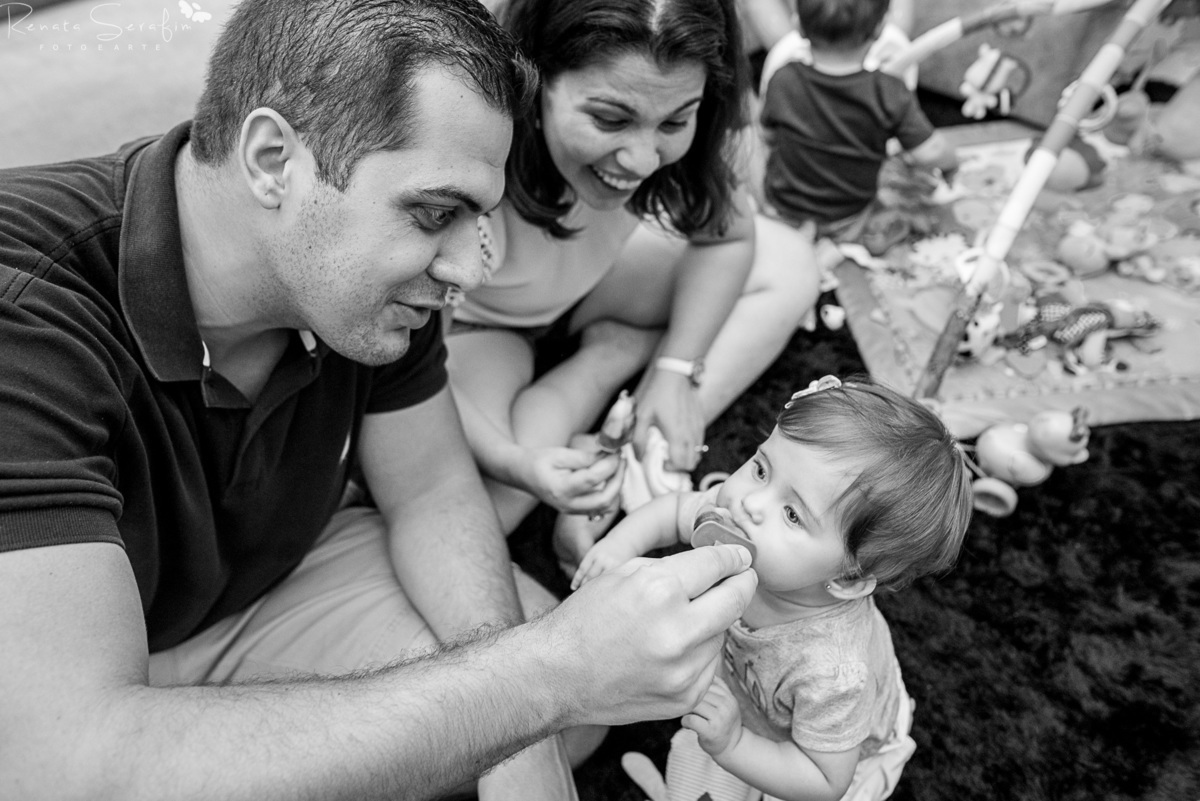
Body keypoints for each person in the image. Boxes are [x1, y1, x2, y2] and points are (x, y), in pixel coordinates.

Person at [0, 0, 761, 798]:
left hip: (270, 581)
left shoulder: (365, 285)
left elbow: (431, 489)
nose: (465, 270)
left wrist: (531, 720)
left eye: (478, 215)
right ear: (272, 160)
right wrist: (543, 680)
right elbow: (65, 759)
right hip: (85, 667)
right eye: (436, 213)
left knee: (561, 705)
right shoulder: (26, 309)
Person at [447, 0, 821, 571]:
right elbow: (415, 375)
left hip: (583, 285)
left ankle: (639, 437)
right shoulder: (464, 159)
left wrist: (676, 369)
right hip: (474, 328)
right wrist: (515, 462)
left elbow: (728, 238)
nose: (644, 160)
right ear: (533, 77)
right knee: (479, 513)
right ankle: (609, 363)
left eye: (675, 122)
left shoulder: (670, 120)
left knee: (790, 263)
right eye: (610, 119)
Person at [574, 375, 973, 801]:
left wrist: (734, 745)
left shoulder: (834, 673)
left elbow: (823, 781)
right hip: (745, 699)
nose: (751, 501)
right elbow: (674, 511)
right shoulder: (738, 519)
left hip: (814, 753)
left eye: (793, 515)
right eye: (762, 469)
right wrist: (618, 547)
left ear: (846, 580)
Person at [759, 0, 957, 243]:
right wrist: (952, 164)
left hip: (784, 208)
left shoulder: (782, 79)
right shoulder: (888, 91)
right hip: (848, 216)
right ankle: (837, 243)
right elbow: (932, 151)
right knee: (906, 192)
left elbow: (767, 136)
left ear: (798, 26)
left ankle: (802, 239)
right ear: (879, 30)